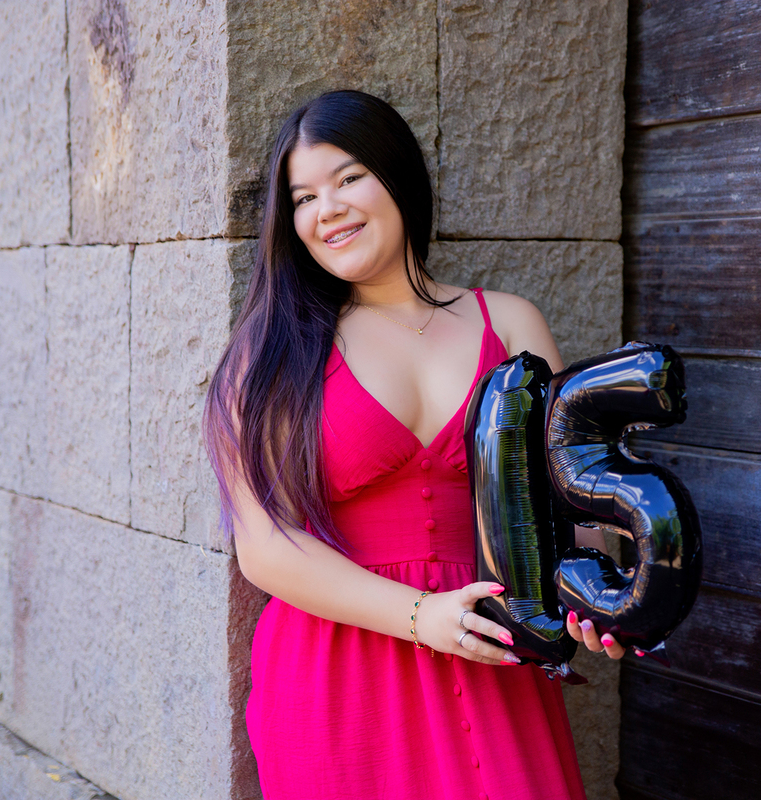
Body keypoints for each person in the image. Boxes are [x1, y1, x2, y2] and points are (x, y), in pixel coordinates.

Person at [203, 89, 623, 800]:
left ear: (398, 176)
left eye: (346, 178)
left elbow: (575, 497)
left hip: (491, 653)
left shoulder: (511, 323)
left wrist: (600, 597)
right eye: (302, 198)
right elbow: (265, 546)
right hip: (338, 672)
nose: (326, 209)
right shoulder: (273, 352)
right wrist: (420, 617)